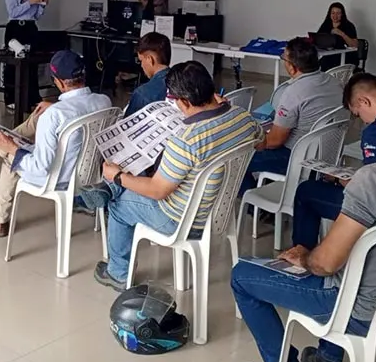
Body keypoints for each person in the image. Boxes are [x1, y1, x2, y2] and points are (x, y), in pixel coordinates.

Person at [231, 78, 376, 362]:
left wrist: (305, 256)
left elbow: (326, 264)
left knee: (242, 276)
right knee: (357, 267)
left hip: (356, 309)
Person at [80, 61, 261, 290]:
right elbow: (261, 141)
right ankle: (109, 188)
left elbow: (158, 190)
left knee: (118, 205)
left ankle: (118, 273)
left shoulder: (186, 140)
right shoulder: (242, 117)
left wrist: (117, 176)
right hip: (220, 210)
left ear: (184, 102)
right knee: (138, 174)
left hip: (181, 218)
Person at [0, 50, 111, 237]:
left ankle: (0, 221)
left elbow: (40, 168)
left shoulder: (54, 115)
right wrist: (54, 107)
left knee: (10, 157)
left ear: (58, 82)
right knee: (38, 116)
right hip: (91, 174)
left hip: (59, 178)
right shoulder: (104, 101)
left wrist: (13, 148)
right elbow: (76, 110)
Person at [289, 73, 376, 252]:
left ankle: (301, 254)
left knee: (306, 191)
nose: (362, 120)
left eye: (358, 114)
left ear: (364, 102)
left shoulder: (375, 132)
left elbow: (372, 187)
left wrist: (340, 179)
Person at [239, 40, 343, 196]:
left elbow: (275, 141)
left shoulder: (293, 92)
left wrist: (251, 139)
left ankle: (256, 202)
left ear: (292, 67)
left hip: (297, 158)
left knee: (236, 160)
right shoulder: (335, 82)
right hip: (328, 155)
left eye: (284, 58)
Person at [3, 0, 49, 111]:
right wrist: (30, 2)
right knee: (13, 64)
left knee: (32, 64)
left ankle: (33, 98)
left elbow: (36, 15)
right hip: (16, 28)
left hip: (30, 27)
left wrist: (42, 5)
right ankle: (11, 98)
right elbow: (13, 12)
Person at [125, 32, 171, 116]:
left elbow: (128, 123)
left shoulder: (142, 94)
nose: (141, 65)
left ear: (150, 59)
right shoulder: (184, 83)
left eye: (141, 61)